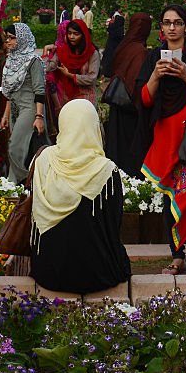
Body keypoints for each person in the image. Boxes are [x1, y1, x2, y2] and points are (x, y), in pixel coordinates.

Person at [134, 4, 186, 275]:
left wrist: (185, 74)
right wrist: (156, 76)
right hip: (164, 138)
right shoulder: (152, 59)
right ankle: (176, 254)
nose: (172, 27)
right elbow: (144, 99)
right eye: (167, 22)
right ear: (161, 28)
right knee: (169, 196)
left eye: (178, 22)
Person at [30, 99, 131, 294]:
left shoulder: (43, 160)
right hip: (98, 274)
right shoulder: (106, 171)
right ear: (93, 127)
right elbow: (114, 225)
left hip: (48, 273)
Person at [105, 13, 152, 174]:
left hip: (117, 103)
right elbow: (137, 81)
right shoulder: (140, 51)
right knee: (128, 148)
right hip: (131, 107)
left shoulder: (123, 45)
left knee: (116, 145)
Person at [0, 23, 46, 184]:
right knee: (18, 148)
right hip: (14, 109)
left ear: (23, 38)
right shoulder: (11, 60)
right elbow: (8, 91)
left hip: (30, 108)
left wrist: (39, 116)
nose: (8, 42)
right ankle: (12, 186)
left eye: (12, 38)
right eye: (7, 38)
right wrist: (5, 115)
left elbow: (40, 90)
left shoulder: (34, 61)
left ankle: (28, 179)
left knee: (15, 147)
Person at [44, 19, 100, 109]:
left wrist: (70, 75)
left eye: (76, 34)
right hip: (66, 98)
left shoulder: (92, 53)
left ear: (83, 35)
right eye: (69, 33)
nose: (71, 37)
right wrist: (45, 52)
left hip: (86, 98)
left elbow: (91, 78)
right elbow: (48, 67)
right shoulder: (62, 51)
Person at [100, 8, 126, 77]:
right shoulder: (119, 30)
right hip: (115, 48)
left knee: (108, 60)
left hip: (109, 47)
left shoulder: (112, 27)